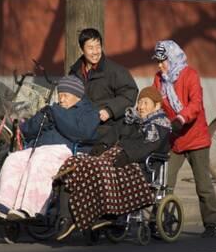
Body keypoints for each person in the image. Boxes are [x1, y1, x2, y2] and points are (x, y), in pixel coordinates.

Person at [56, 86, 171, 241]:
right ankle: (68, 217)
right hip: (114, 159)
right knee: (75, 163)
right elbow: (113, 134)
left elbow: (146, 147)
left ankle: (99, 216)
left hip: (139, 167)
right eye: (140, 102)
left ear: (156, 106)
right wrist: (101, 146)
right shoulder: (131, 120)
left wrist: (125, 155)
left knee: (97, 169)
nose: (140, 107)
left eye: (145, 103)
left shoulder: (159, 126)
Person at [0, 75, 100, 221]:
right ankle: (4, 205)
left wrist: (56, 115)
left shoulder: (88, 112)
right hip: (37, 148)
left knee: (40, 160)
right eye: (60, 95)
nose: (61, 99)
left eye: (65, 95)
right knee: (14, 159)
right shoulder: (52, 109)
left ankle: (30, 209)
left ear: (77, 96)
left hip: (64, 151)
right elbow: (27, 131)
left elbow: (81, 133)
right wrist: (40, 119)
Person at [152, 40, 216, 237]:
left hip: (196, 137)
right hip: (175, 139)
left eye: (162, 61)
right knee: (165, 181)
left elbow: (196, 103)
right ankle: (161, 220)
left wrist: (181, 117)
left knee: (203, 184)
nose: (159, 65)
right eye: (157, 62)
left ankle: (213, 223)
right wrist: (145, 111)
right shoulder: (159, 79)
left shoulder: (189, 74)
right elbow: (153, 99)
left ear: (172, 57)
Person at [68, 28, 138, 151]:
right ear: (82, 49)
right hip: (79, 126)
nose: (95, 52)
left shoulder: (115, 71)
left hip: (105, 129)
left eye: (98, 46)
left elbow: (130, 92)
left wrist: (109, 110)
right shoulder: (74, 72)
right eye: (90, 48)